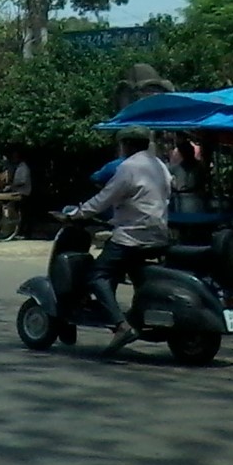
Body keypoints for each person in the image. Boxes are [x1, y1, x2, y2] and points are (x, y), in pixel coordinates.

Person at [66, 127, 171, 353]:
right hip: (159, 233)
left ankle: (120, 326)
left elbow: (105, 198)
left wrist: (77, 213)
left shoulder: (128, 167)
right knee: (129, 270)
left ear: (127, 145)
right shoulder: (160, 165)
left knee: (96, 275)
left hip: (132, 236)